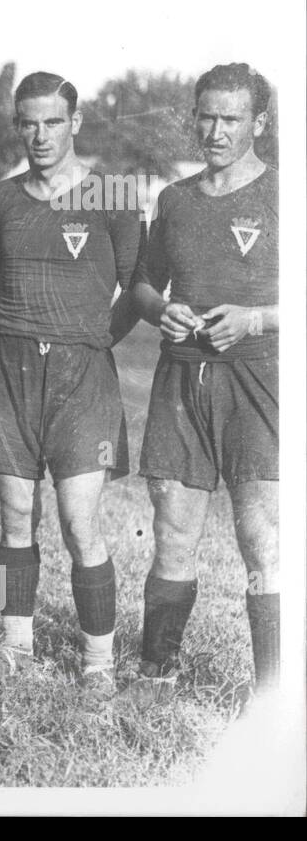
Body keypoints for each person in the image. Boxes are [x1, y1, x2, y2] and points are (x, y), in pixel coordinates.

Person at [0, 71, 141, 694]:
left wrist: (96, 340)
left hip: (83, 374)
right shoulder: (0, 198)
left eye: (53, 122)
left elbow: (139, 288)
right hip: (12, 367)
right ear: (17, 126)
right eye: (28, 123)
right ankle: (16, 645)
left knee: (79, 521)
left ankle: (99, 661)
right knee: (15, 516)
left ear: (75, 123)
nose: (40, 135)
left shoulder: (113, 194)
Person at [121, 63, 278, 709]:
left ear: (259, 124)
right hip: (184, 377)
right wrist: (164, 311)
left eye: (231, 119)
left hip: (260, 380)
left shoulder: (282, 195)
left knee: (262, 535)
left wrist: (256, 319)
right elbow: (142, 286)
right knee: (173, 529)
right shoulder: (176, 200)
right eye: (205, 117)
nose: (214, 130)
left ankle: (270, 693)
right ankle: (156, 676)